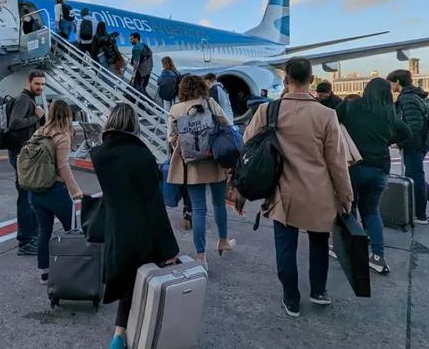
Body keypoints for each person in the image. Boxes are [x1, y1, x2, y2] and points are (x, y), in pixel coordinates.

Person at [244, 57, 353, 317]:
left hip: (283, 193)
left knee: (285, 247)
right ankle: (318, 290)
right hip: (319, 192)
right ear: (312, 80)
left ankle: (290, 298)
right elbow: (337, 162)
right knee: (319, 243)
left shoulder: (267, 111)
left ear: (285, 80)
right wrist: (345, 195)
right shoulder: (327, 114)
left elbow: (248, 142)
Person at [90, 103, 179, 349]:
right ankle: (136, 335)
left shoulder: (99, 155)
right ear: (133, 123)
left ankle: (119, 335)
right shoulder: (143, 156)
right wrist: (169, 247)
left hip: (115, 230)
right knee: (142, 284)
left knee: (127, 283)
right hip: (142, 231)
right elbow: (154, 206)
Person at [336, 78, 411, 274]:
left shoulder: (351, 106)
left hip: (354, 165)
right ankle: (378, 256)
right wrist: (387, 140)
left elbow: (331, 122)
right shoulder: (389, 113)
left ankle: (351, 249)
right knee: (371, 211)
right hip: (380, 168)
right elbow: (406, 132)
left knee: (349, 207)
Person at [167, 75, 235, 268]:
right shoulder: (210, 103)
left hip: (192, 165)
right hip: (214, 161)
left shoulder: (176, 109)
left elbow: (172, 137)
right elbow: (227, 125)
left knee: (198, 209)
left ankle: (201, 256)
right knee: (219, 204)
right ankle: (223, 240)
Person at [386, 70, 429, 224]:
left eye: (390, 82)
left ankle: (421, 215)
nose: (389, 86)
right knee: (415, 176)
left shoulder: (408, 98)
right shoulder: (416, 95)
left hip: (414, 145)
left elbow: (414, 127)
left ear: (397, 81)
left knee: (415, 178)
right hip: (419, 144)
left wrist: (400, 142)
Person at [28, 100, 83, 284]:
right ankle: (73, 270)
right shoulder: (62, 136)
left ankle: (45, 273)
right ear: (68, 115)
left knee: (44, 232)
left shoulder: (39, 132)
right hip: (55, 191)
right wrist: (75, 190)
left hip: (35, 191)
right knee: (72, 230)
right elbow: (63, 166)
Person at [7, 71, 47, 256]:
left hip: (24, 155)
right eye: (37, 84)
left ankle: (31, 237)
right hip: (21, 156)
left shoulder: (29, 99)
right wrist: (36, 117)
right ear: (28, 82)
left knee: (30, 197)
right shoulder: (24, 99)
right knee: (25, 199)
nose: (40, 87)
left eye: (42, 84)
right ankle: (25, 241)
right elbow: (14, 123)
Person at [130, 32, 153, 97]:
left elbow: (136, 62)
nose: (130, 40)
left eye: (131, 39)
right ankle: (142, 100)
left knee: (138, 88)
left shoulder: (136, 48)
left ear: (136, 38)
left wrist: (134, 73)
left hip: (140, 72)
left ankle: (145, 101)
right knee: (142, 88)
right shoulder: (144, 45)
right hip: (148, 70)